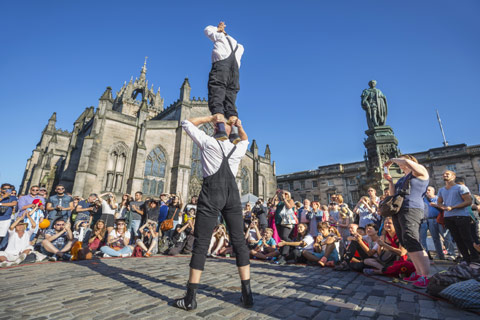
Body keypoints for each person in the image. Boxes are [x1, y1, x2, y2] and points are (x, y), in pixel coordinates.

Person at [174, 114, 252, 310]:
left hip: (211, 193)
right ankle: (247, 295)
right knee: (239, 242)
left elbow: (186, 123)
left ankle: (190, 298)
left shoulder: (208, 142)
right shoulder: (238, 148)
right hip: (232, 194)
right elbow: (245, 139)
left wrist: (210, 117)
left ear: (216, 129)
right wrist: (239, 126)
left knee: (201, 243)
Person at [384, 155, 430, 288]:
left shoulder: (420, 171)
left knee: (412, 239)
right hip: (398, 210)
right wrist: (391, 182)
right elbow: (393, 195)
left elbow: (405, 161)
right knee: (406, 242)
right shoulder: (402, 179)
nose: (399, 163)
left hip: (412, 208)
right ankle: (419, 272)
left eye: (401, 160)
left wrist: (392, 159)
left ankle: (426, 276)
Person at [204, 22, 244, 143]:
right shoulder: (239, 47)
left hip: (221, 68)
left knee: (217, 93)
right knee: (230, 102)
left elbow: (207, 30)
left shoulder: (220, 36)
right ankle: (234, 133)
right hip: (235, 75)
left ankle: (221, 129)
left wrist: (218, 29)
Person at [437, 170, 479, 264]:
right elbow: (439, 202)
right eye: (443, 174)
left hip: (462, 216)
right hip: (448, 217)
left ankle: (475, 258)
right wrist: (442, 206)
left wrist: (453, 207)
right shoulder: (441, 190)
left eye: (447, 174)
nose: (444, 175)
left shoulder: (461, 187)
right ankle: (466, 259)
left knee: (467, 238)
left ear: (453, 176)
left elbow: (468, 202)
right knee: (457, 239)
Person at [422, 186, 445, 260]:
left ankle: (451, 253)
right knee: (435, 238)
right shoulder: (424, 199)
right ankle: (440, 254)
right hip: (430, 220)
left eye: (429, 190)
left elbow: (445, 207)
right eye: (426, 190)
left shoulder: (438, 198)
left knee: (445, 237)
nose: (427, 191)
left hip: (439, 219)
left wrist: (436, 205)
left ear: (433, 191)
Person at [274, 190, 296, 265]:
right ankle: (284, 254)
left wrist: (285, 199)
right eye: (283, 194)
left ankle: (285, 254)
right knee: (282, 238)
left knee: (285, 236)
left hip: (287, 221)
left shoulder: (290, 200)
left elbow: (289, 207)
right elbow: (273, 204)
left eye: (285, 194)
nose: (284, 195)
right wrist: (276, 195)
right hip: (279, 221)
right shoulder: (280, 201)